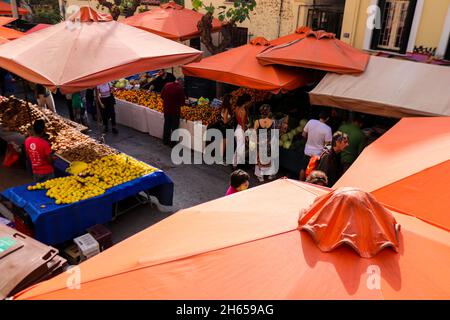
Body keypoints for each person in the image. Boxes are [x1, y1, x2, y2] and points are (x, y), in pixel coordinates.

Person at [299, 110, 332, 181]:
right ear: (327, 118)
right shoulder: (328, 129)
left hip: (307, 151)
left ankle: (300, 182)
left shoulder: (311, 122)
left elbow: (303, 134)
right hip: (317, 155)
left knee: (303, 169)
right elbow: (328, 146)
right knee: (313, 173)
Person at [253, 104, 277, 182]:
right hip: (268, 142)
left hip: (260, 142)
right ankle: (270, 175)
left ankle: (260, 176)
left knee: (259, 158)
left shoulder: (257, 122)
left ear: (261, 112)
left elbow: (254, 133)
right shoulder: (272, 122)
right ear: (269, 112)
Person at [161, 77, 185, 146]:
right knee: (174, 127)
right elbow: (182, 103)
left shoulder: (167, 85)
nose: (183, 85)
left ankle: (165, 141)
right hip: (175, 111)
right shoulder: (180, 89)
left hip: (166, 109)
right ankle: (173, 143)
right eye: (182, 84)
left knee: (167, 125)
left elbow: (162, 96)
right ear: (180, 82)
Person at [232, 93, 252, 169]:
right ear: (246, 102)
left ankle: (234, 164)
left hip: (238, 128)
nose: (250, 103)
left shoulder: (237, 108)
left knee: (239, 148)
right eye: (250, 101)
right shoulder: (243, 111)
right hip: (241, 130)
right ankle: (235, 165)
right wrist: (245, 134)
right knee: (241, 149)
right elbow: (243, 123)